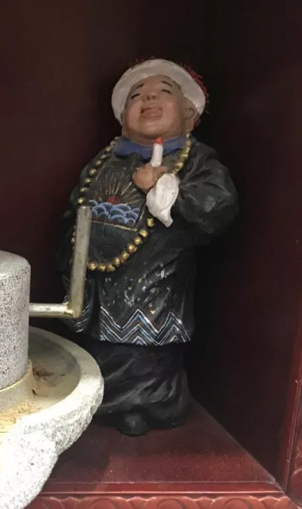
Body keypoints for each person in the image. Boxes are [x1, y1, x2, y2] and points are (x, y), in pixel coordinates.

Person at [56, 59, 238, 436]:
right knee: (97, 348)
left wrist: (165, 187)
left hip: (155, 282)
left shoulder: (195, 160)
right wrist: (70, 256)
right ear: (123, 120)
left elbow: (218, 206)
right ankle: (100, 401)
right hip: (98, 278)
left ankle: (147, 405)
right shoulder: (104, 159)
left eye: (163, 93)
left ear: (189, 115)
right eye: (136, 96)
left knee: (146, 352)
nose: (149, 98)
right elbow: (76, 207)